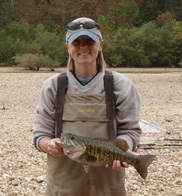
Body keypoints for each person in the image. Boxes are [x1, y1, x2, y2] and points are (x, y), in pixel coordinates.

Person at [33, 17, 141, 196]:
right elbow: (40, 134)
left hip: (108, 187)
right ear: (68, 47)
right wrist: (47, 144)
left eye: (89, 40)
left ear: (100, 44)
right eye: (76, 42)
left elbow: (131, 132)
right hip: (62, 187)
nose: (83, 46)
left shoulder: (122, 85)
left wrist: (125, 148)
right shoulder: (52, 86)